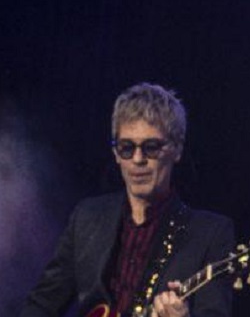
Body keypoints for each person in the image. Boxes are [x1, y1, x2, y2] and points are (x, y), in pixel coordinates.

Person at [21, 83, 234, 317]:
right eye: (126, 148)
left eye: (151, 147)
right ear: (116, 153)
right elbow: (41, 306)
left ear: (177, 149)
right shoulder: (87, 218)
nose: (138, 159)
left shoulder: (210, 234)